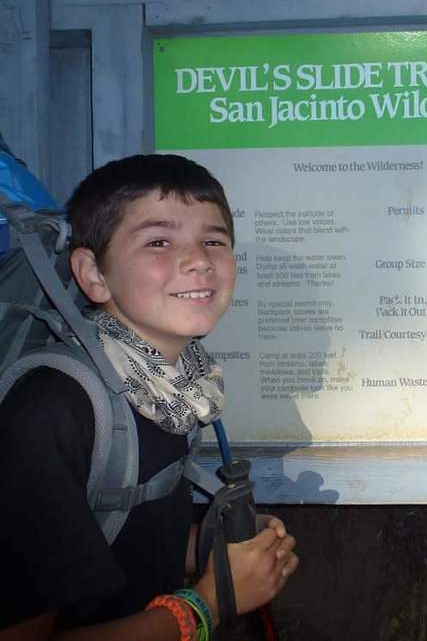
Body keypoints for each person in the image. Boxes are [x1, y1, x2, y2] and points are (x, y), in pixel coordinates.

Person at [0, 154, 299, 639]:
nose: (199, 259)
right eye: (158, 241)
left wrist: (211, 547)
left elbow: (113, 535)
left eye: (214, 240)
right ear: (93, 274)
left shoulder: (175, 389)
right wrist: (207, 604)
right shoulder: (54, 411)